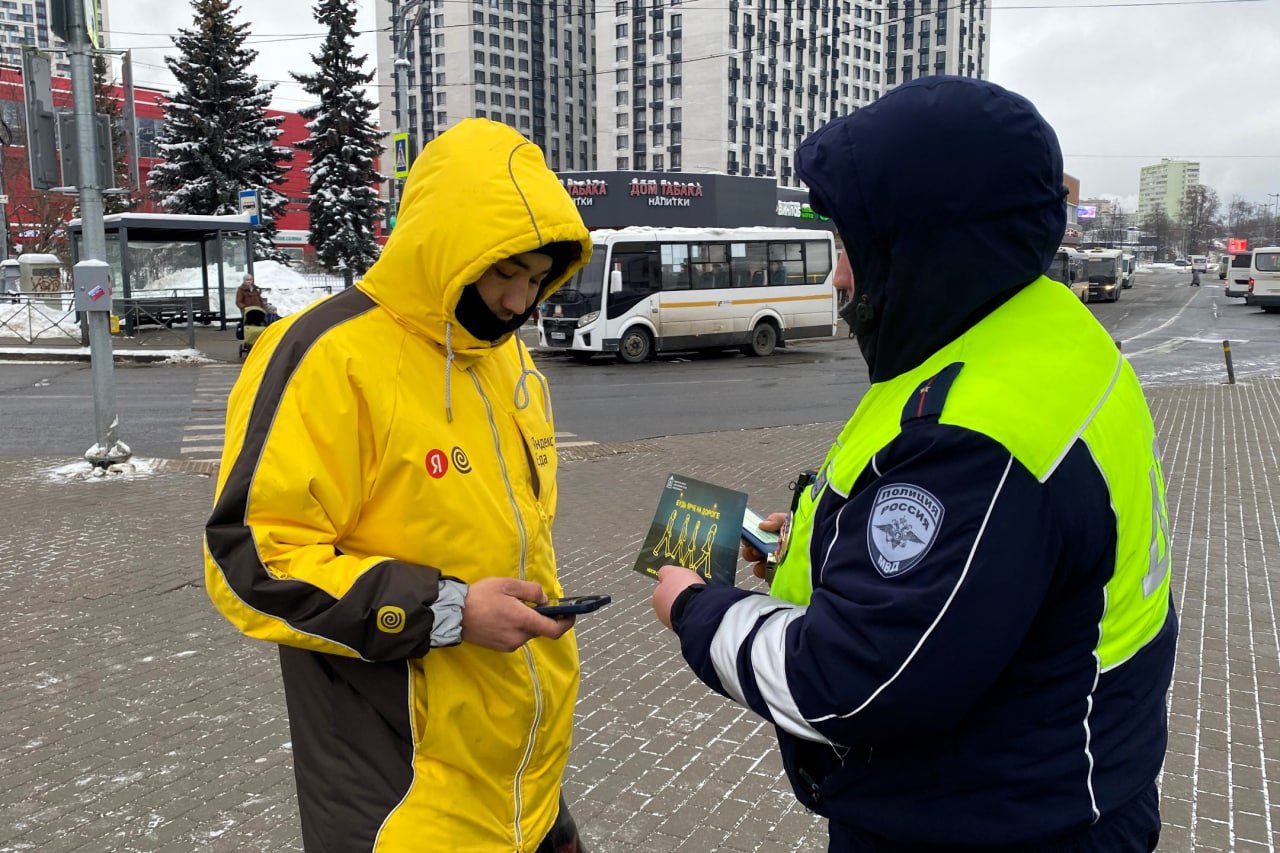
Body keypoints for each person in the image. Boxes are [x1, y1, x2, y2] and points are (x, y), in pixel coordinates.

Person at [652, 77, 1177, 852]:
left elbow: (849, 682)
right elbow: (962, 555)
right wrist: (812, 547)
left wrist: (696, 608)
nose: (836, 279)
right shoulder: (1034, 332)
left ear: (921, 247)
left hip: (998, 823)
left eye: (848, 250)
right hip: (1046, 787)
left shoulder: (978, 437)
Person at [205, 118, 593, 852]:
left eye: (539, 279)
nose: (521, 303)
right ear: (442, 245)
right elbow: (249, 560)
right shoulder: (326, 356)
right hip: (401, 796)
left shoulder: (506, 360)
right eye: (506, 274)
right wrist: (445, 611)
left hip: (523, 776)